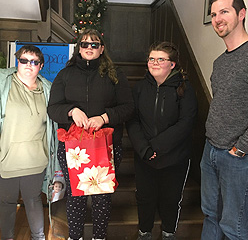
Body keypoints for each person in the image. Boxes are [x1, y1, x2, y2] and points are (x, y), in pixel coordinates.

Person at [47, 29, 134, 240]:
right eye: (84, 44)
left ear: (101, 49)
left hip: (106, 146)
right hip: (73, 148)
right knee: (76, 196)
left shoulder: (115, 75)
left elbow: (129, 107)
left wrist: (104, 118)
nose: (89, 48)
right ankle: (74, 236)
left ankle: (98, 237)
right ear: (79, 48)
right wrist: (71, 111)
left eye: (94, 45)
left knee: (102, 198)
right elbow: (52, 108)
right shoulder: (65, 74)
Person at [126, 42, 197, 240]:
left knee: (171, 198)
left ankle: (168, 233)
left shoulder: (185, 88)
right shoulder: (139, 88)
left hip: (175, 157)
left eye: (160, 59)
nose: (154, 63)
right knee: (144, 197)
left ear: (172, 64)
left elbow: (186, 122)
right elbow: (133, 120)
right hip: (145, 156)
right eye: (151, 59)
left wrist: (156, 146)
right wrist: (145, 149)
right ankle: (144, 232)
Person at [200, 0, 248, 240]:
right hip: (210, 152)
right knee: (210, 215)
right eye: (213, 14)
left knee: (235, 227)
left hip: (237, 158)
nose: (217, 19)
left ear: (241, 14)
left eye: (224, 11)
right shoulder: (219, 62)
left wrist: (241, 149)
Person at [0, 45, 59, 240]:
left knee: (33, 201)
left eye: (33, 62)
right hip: (6, 157)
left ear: (40, 66)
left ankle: (38, 237)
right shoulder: (3, 83)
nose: (28, 65)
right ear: (17, 62)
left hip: (36, 159)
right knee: (7, 202)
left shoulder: (48, 90)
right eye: (24, 60)